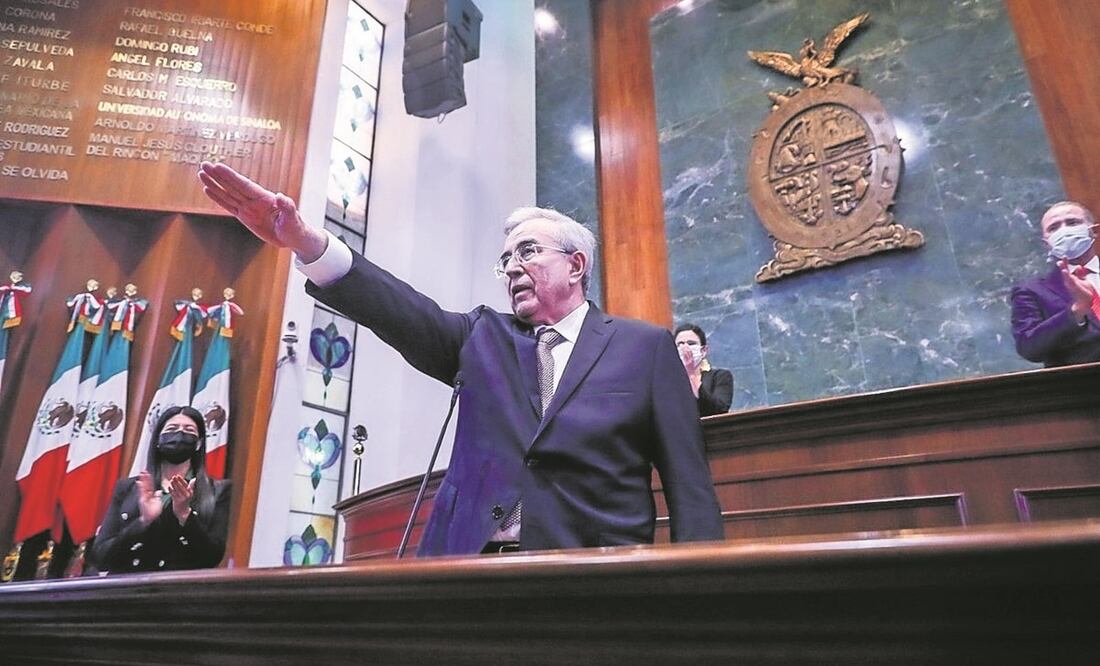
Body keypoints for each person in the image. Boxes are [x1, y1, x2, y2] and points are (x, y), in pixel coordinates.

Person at [197, 162, 724, 556]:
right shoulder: (482, 336)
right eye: (505, 260)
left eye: (528, 252)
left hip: (592, 575)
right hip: (465, 569)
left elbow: (688, 483)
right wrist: (308, 245)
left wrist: (692, 593)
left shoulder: (644, 347)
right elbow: (400, 311)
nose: (513, 268)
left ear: (576, 265)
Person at [90, 406, 231, 574]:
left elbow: (212, 558)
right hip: (126, 590)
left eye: (188, 430)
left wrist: (184, 516)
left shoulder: (217, 491)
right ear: (158, 439)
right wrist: (143, 522)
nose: (179, 435)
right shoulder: (128, 488)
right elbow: (101, 557)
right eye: (172, 429)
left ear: (199, 443)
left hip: (179, 592)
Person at [1012, 200, 1100, 367]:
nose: (1064, 230)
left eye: (1072, 222)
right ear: (1047, 243)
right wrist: (1077, 310)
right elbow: (1029, 347)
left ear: (1093, 231)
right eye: (1054, 228)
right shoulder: (1032, 291)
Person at [674, 324, 733, 416]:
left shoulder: (719, 377)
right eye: (680, 344)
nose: (685, 348)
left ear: (703, 351)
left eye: (691, 343)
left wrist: (691, 374)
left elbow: (720, 410)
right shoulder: (666, 382)